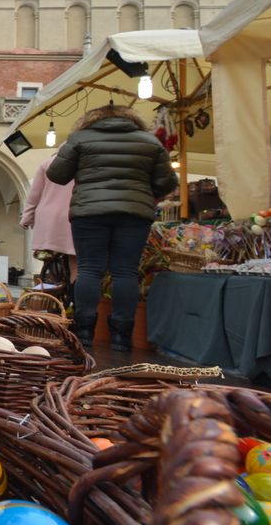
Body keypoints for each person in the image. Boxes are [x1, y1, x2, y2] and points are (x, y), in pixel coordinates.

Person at [47, 105, 177, 351]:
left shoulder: (80, 139)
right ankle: (121, 337)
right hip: (135, 214)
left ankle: (84, 332)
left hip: (89, 213)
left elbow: (57, 174)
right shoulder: (149, 142)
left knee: (88, 269)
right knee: (125, 272)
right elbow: (166, 182)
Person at [21, 154, 77, 295]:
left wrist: (27, 217)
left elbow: (34, 195)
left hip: (48, 220)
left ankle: (52, 292)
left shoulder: (48, 162)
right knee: (77, 264)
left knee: (49, 259)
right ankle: (74, 302)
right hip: (73, 216)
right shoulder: (87, 161)